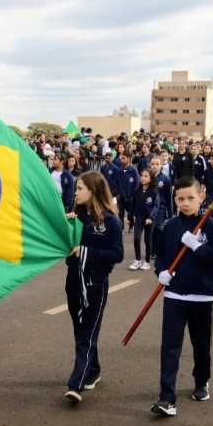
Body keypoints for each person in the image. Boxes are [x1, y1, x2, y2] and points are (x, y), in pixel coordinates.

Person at [151, 177, 213, 417]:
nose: (185, 203)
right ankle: (167, 398)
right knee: (170, 347)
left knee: (201, 345)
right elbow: (161, 255)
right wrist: (161, 272)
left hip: (202, 297)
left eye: (190, 198)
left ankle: (201, 380)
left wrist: (198, 247)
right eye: (180, 198)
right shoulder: (169, 225)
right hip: (174, 294)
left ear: (201, 197)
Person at [63, 172, 124, 403]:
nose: (75, 192)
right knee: (81, 332)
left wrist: (85, 252)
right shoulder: (76, 217)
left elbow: (117, 254)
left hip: (96, 284)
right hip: (73, 281)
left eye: (80, 188)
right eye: (76, 188)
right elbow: (66, 250)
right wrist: (66, 227)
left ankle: (75, 384)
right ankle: (94, 369)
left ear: (93, 191)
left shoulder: (111, 221)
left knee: (86, 335)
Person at [129, 169, 160, 271]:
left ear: (151, 179)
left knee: (147, 240)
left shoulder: (154, 192)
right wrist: (130, 217)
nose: (143, 178)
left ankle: (146, 261)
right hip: (139, 217)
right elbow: (133, 205)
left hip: (149, 219)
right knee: (136, 238)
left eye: (146, 176)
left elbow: (156, 206)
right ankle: (138, 260)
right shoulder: (137, 191)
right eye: (142, 176)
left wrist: (151, 217)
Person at [118, 154, 140, 232]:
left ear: (128, 159)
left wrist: (133, 195)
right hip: (122, 196)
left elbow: (137, 183)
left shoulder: (134, 170)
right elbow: (119, 183)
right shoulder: (119, 170)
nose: (121, 160)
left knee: (130, 213)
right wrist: (122, 194)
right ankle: (121, 227)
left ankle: (131, 225)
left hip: (131, 196)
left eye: (123, 158)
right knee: (120, 213)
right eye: (121, 158)